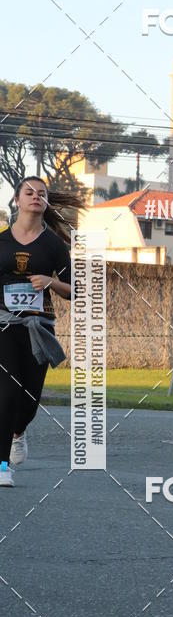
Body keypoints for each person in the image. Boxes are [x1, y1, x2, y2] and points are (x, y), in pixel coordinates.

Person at [0, 176, 83, 487]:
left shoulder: (54, 246)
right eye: (29, 192)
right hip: (5, 325)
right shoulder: (2, 242)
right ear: (17, 200)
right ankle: (2, 465)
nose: (35, 197)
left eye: (42, 194)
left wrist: (51, 283)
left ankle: (19, 431)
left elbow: (74, 290)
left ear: (46, 203)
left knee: (29, 400)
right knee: (6, 393)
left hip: (40, 327)